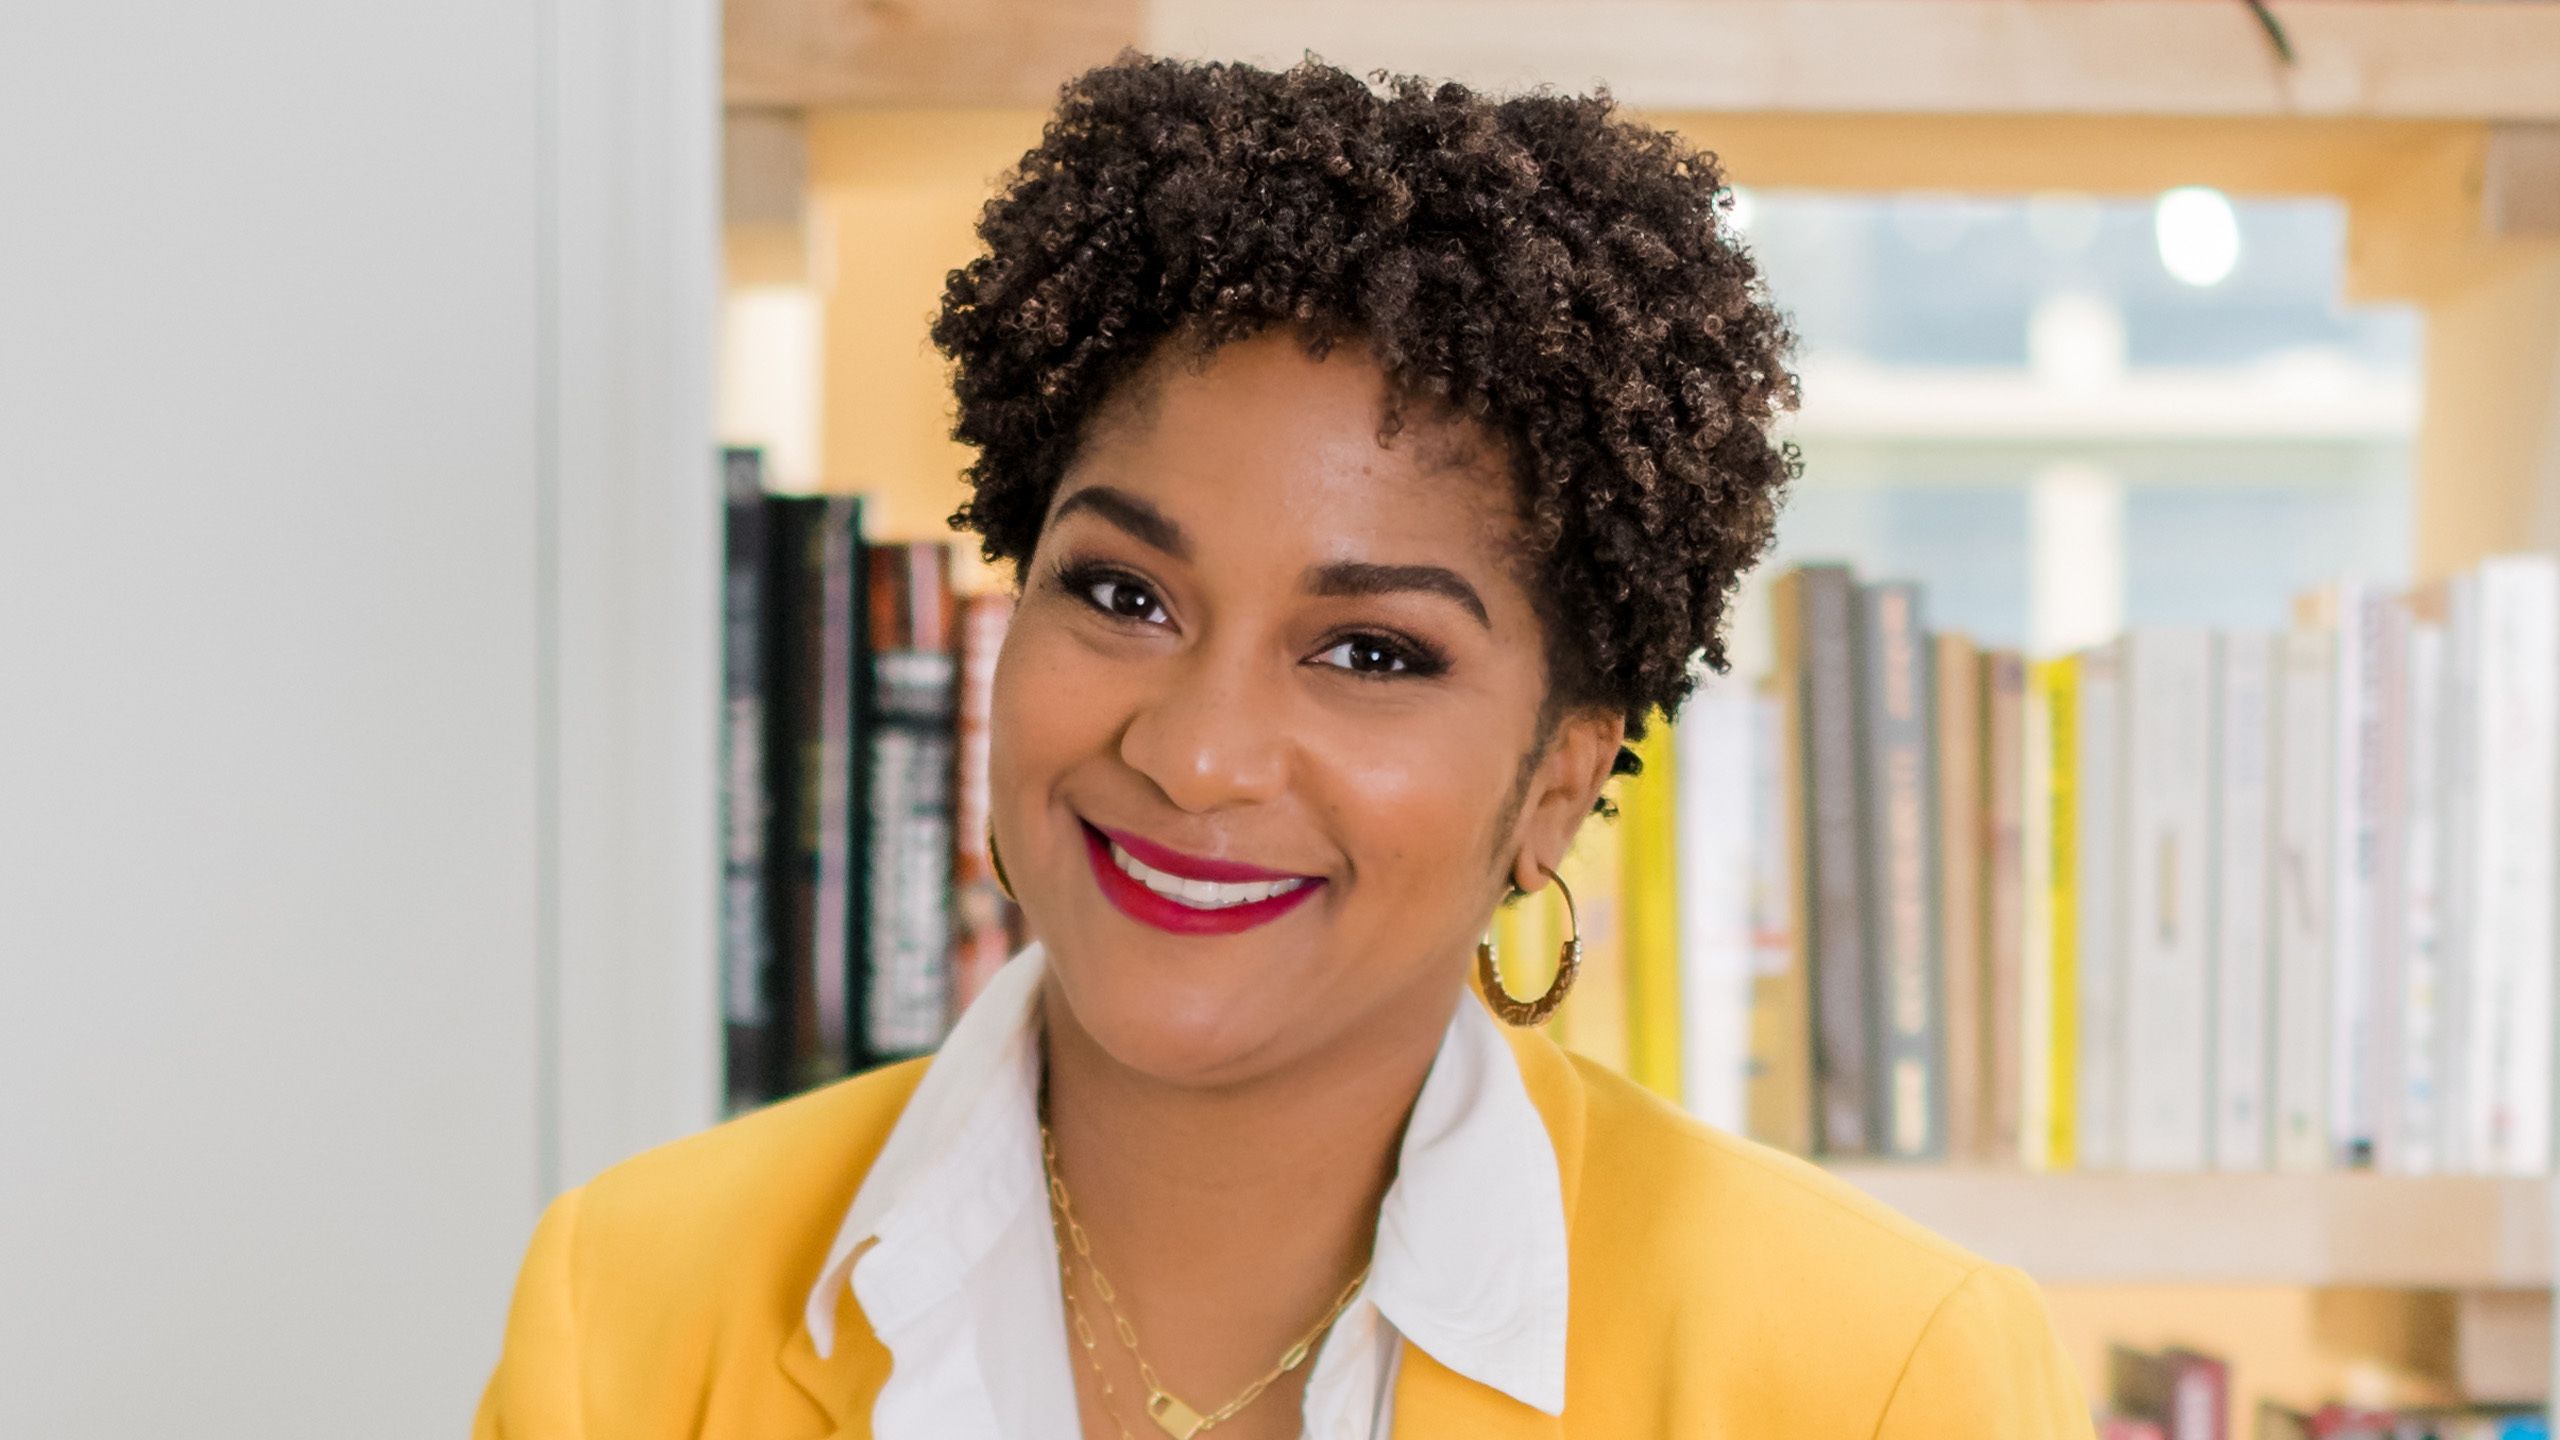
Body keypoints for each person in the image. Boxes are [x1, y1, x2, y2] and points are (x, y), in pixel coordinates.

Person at [474, 51, 2094, 1440]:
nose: (1197, 754)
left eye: (1371, 652)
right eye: (1123, 592)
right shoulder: (629, 1308)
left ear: (1558, 780)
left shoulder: (1874, 1376)